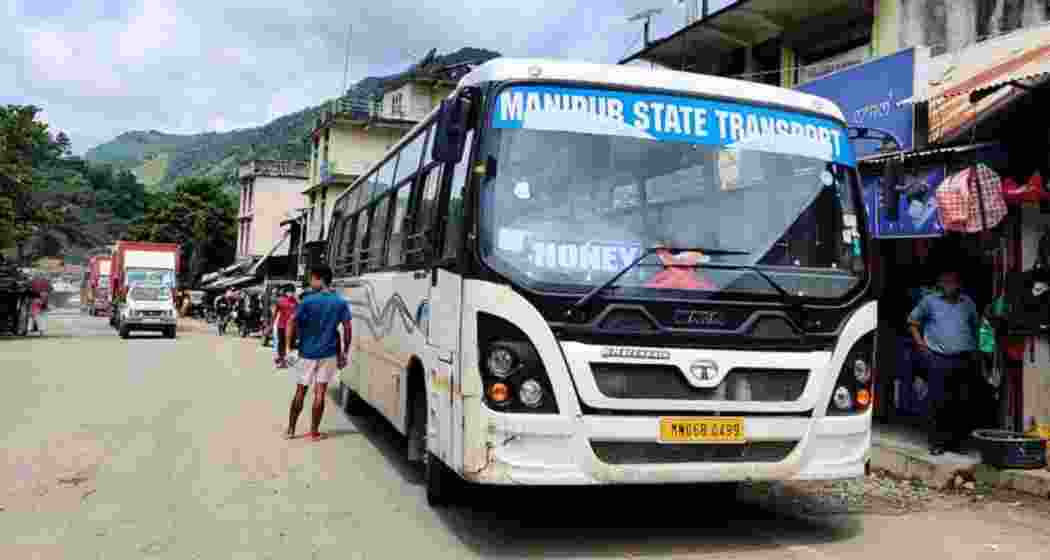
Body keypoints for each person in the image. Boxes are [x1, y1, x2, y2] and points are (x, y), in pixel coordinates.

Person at [908, 270, 980, 455]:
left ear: (959, 284)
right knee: (938, 401)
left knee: (961, 401)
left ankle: (955, 442)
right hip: (938, 358)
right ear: (940, 284)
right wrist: (922, 345)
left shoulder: (967, 303)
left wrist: (976, 351)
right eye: (946, 282)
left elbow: (976, 326)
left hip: (963, 358)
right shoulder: (929, 301)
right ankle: (937, 442)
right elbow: (912, 322)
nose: (950, 285)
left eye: (953, 282)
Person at [285, 265, 351, 441]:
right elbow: (347, 328)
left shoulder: (307, 301)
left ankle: (291, 430)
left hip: (307, 352)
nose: (310, 282)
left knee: (301, 390)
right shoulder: (340, 302)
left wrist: (288, 348)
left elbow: (291, 322)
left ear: (320, 279)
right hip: (328, 353)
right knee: (320, 392)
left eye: (312, 279)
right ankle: (314, 433)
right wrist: (345, 352)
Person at [272, 285, 297, 368]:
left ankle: (287, 359)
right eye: (290, 292)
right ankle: (282, 360)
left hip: (292, 326)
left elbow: (299, 311)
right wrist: (271, 323)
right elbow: (275, 313)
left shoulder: (295, 301)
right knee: (281, 343)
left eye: (293, 292)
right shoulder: (280, 300)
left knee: (291, 344)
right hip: (281, 326)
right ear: (286, 292)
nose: (291, 293)